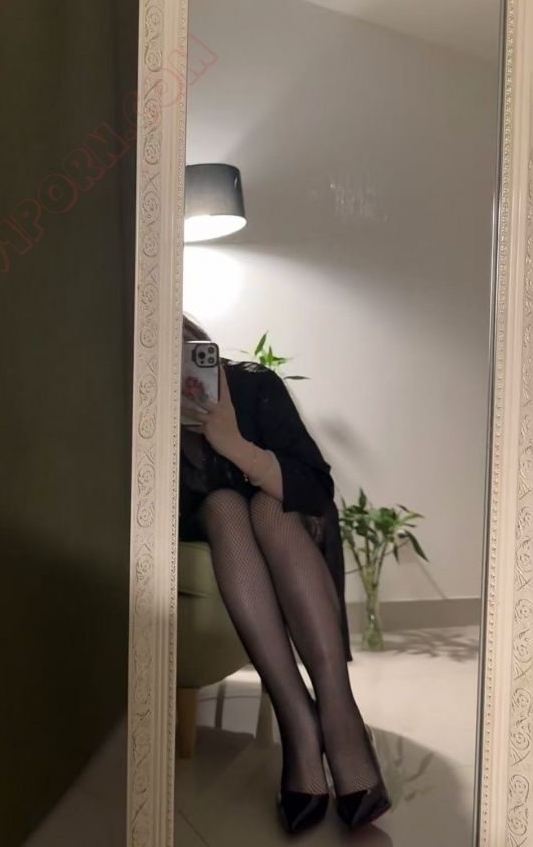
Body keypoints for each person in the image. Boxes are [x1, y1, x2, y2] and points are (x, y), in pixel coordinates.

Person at [179, 315, 390, 833]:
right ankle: (299, 722)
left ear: (203, 350)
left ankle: (337, 714)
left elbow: (314, 489)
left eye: (187, 355)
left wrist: (232, 442)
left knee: (267, 507)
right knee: (225, 506)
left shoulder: (253, 387)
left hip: (285, 525)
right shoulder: (138, 417)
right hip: (214, 526)